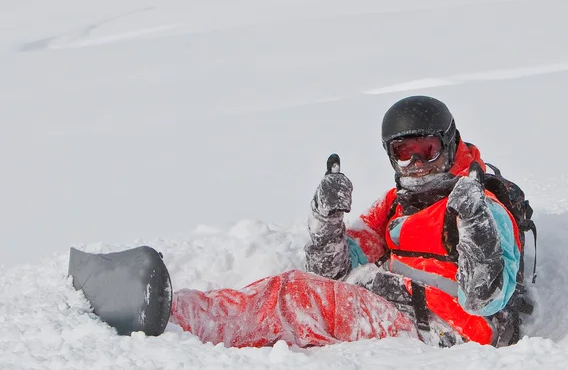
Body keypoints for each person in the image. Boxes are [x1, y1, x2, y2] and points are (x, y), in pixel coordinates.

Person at [167, 96, 524, 348]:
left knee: (295, 297)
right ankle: (188, 311)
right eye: (404, 153)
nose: (416, 162)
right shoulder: (395, 204)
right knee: (309, 289)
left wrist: (475, 222)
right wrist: (328, 219)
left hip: (453, 328)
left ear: (447, 144)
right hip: (405, 306)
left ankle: (181, 318)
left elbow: (486, 302)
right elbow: (332, 270)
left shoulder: (481, 206)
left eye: (426, 149)